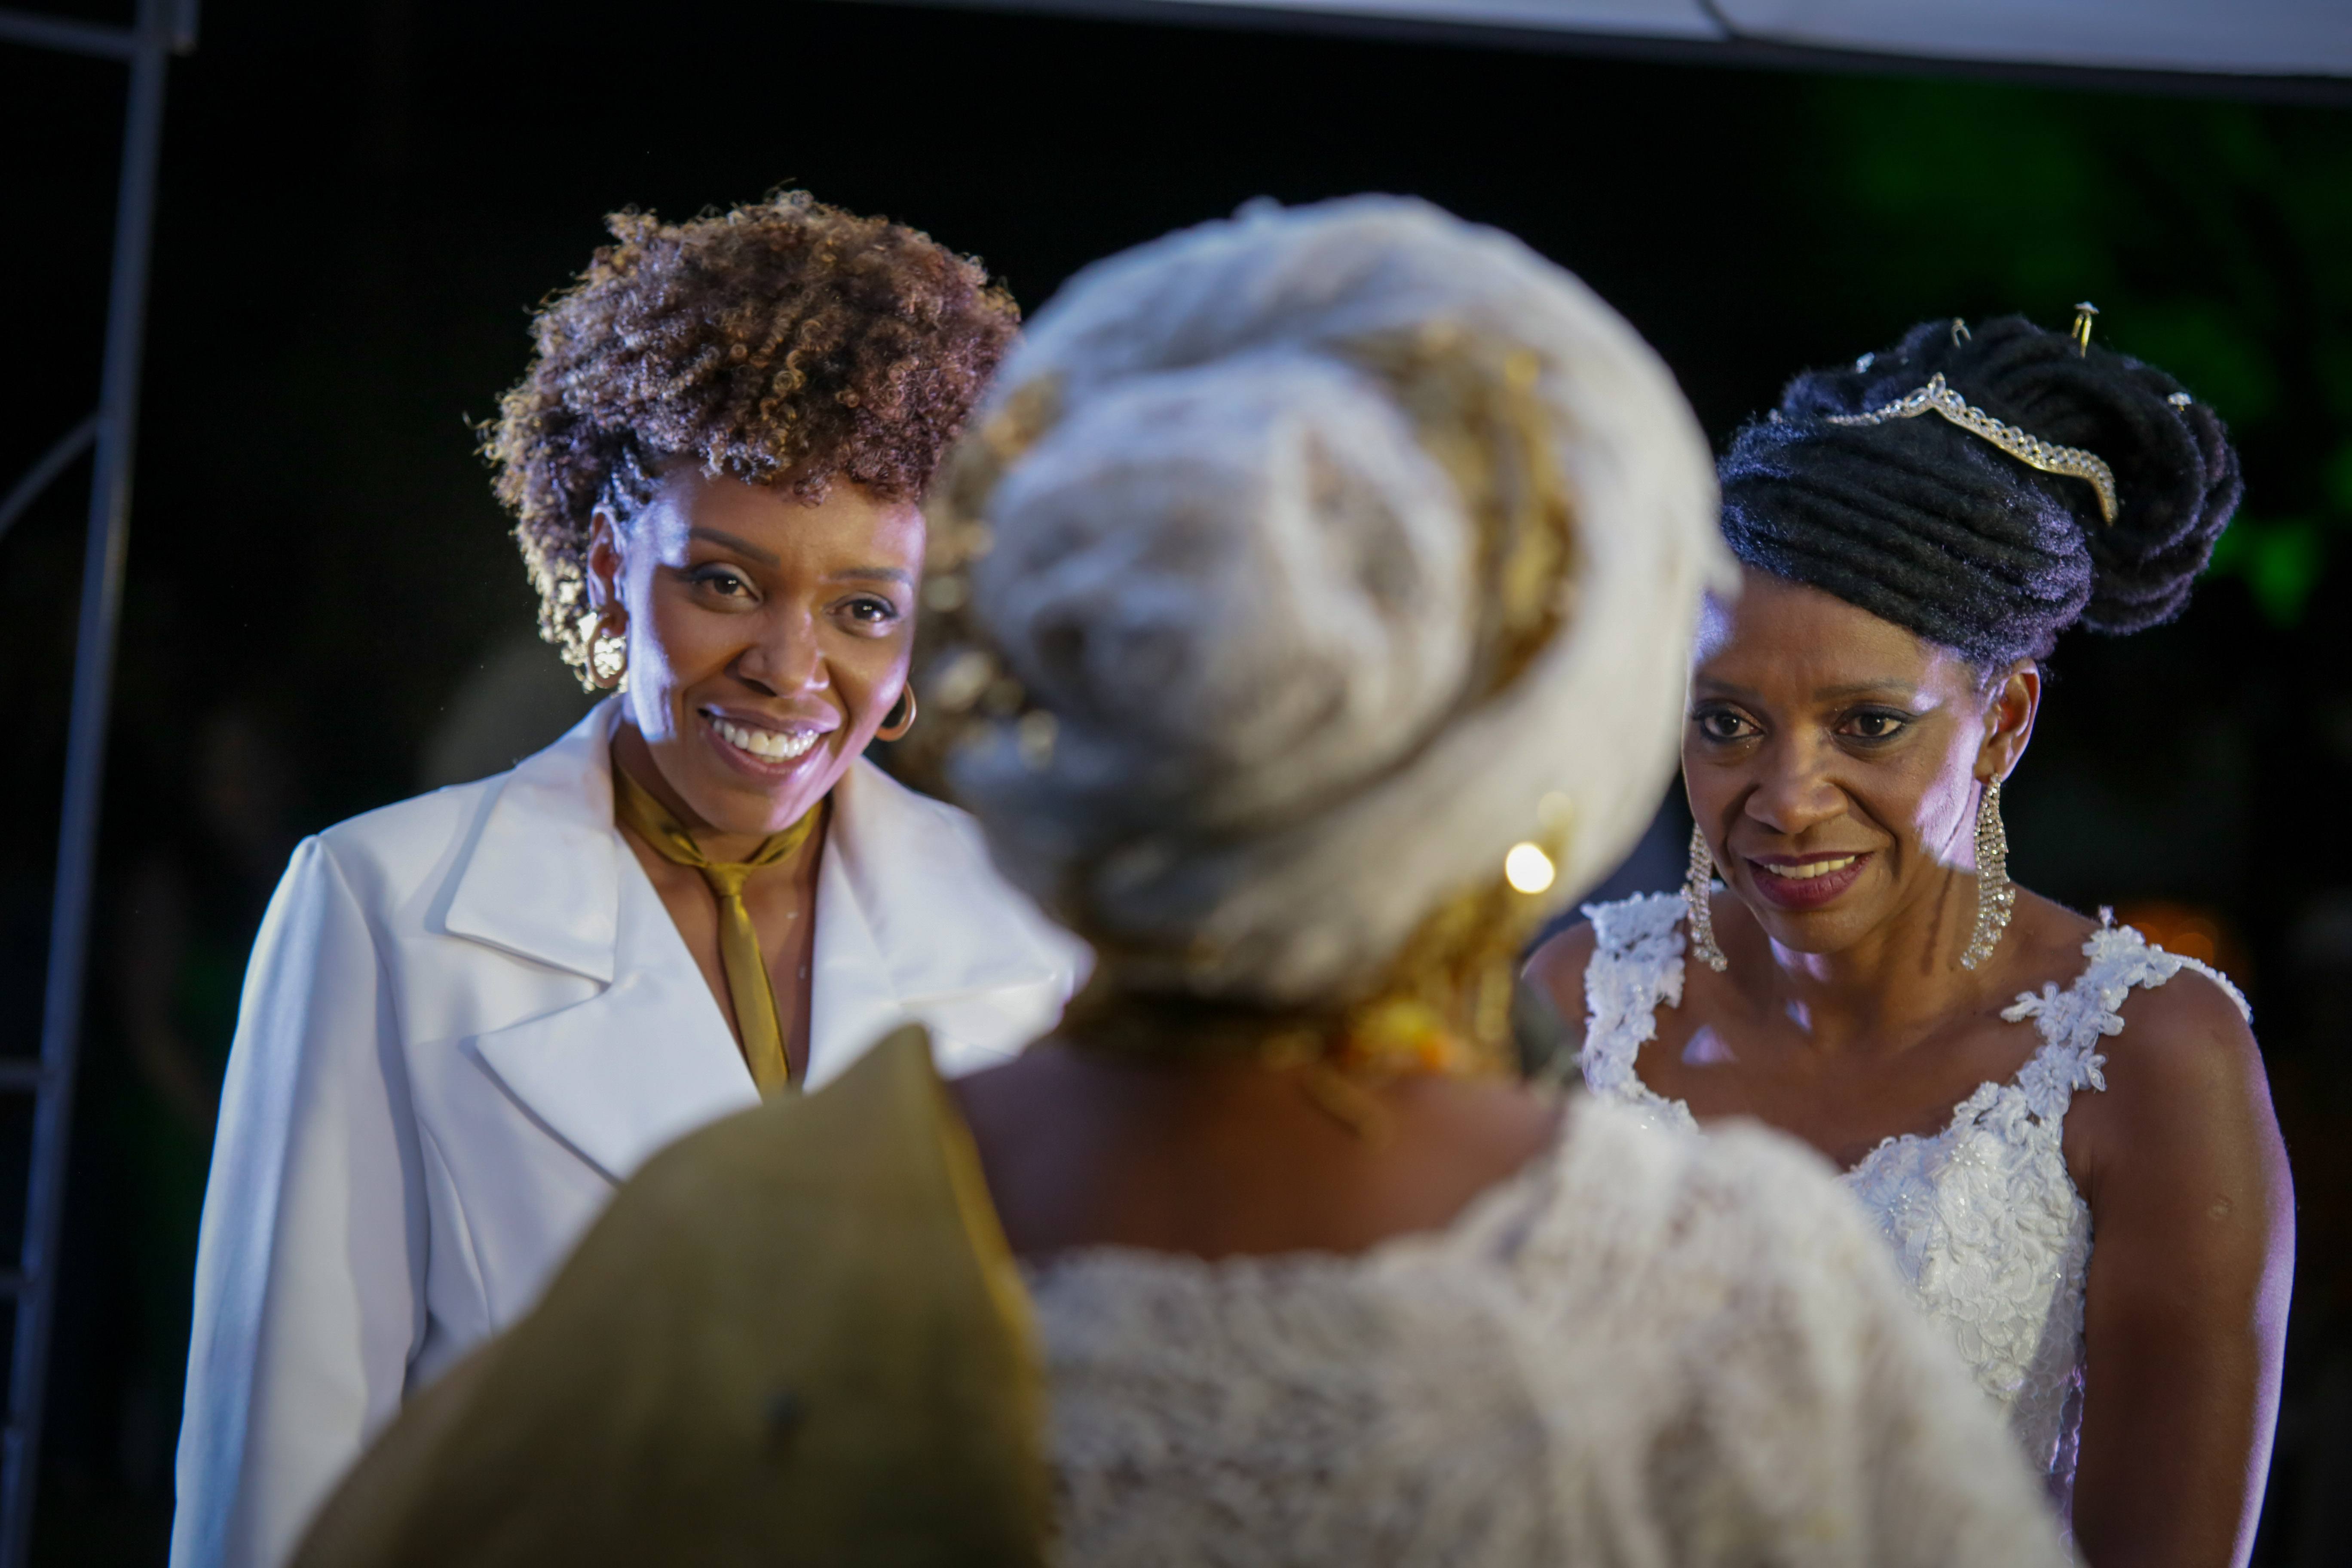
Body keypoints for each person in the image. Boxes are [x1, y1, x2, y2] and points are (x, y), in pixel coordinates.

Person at [292, 197, 2070, 1568]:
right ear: (1538, 733)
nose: (788, 661)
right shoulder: (1741, 1303)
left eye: (862, 602)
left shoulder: (737, 1238)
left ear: (1033, 659)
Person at [174, 192, 1088, 1568]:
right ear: (611, 571)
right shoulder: (381, 903)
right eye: (725, 583)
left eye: (863, 609)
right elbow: (283, 1463)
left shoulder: (1034, 925)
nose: (789, 667)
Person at [1527, 313, 2295, 1564]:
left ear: (2004, 724)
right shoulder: (1584, 1002)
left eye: (1869, 726)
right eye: (1727, 723)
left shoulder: (2151, 1058)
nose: (1788, 797)